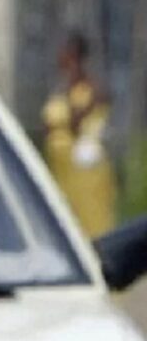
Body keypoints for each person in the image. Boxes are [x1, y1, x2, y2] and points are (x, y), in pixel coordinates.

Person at [42, 32, 117, 238]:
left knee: (92, 229)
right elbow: (47, 127)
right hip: (61, 173)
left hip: (85, 176)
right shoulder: (59, 91)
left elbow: (76, 122)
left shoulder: (90, 90)